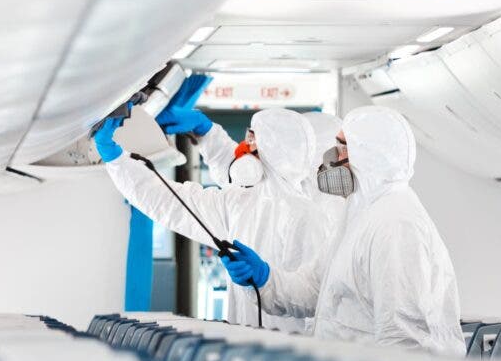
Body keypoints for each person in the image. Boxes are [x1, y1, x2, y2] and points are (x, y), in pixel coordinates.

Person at [226, 105, 466, 356]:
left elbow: (404, 341)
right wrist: (264, 279)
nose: (332, 157)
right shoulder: (359, 212)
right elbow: (316, 290)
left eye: (342, 147)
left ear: (369, 155)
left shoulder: (396, 225)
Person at [92, 87, 326, 333]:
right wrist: (116, 158)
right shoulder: (239, 202)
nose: (244, 147)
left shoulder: (308, 217)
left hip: (292, 350)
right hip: (244, 342)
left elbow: (313, 298)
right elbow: (169, 202)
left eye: (252, 139)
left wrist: (266, 280)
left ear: (274, 150)